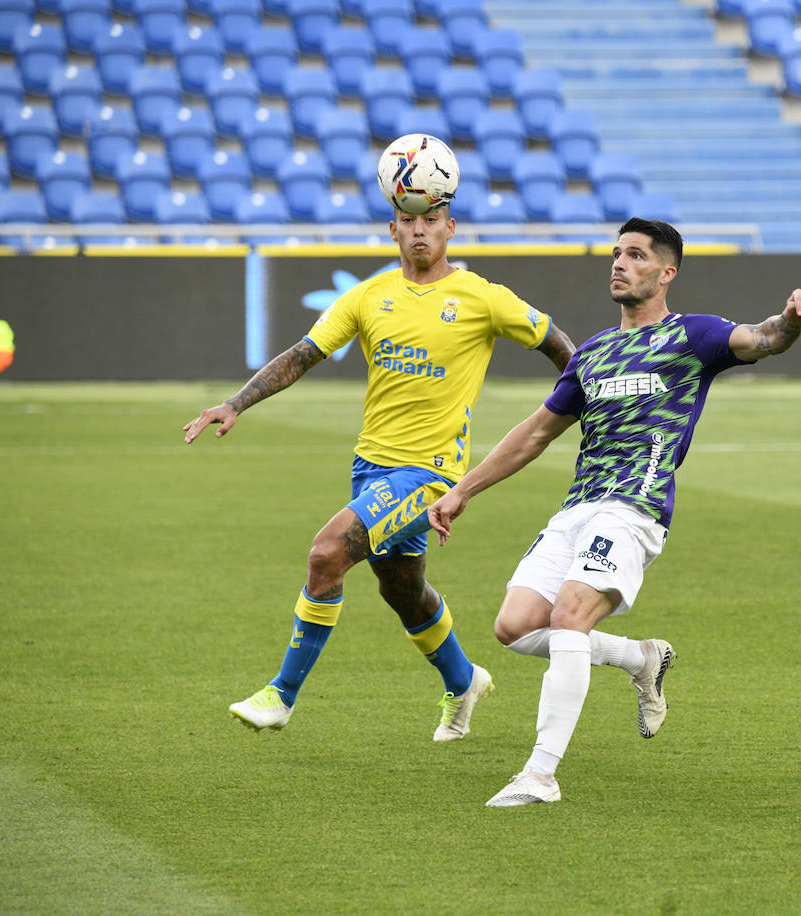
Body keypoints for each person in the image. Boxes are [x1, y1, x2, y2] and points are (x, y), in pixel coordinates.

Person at [426, 217, 801, 806]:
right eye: (617, 254)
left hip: (634, 506)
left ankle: (540, 775)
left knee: (570, 619)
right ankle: (640, 656)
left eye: (637, 256)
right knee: (514, 628)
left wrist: (792, 320)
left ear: (666, 273)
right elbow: (536, 432)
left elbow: (763, 337)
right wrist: (464, 489)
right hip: (578, 507)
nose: (620, 264)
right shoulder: (592, 353)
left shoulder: (693, 337)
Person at [183, 194, 576, 737]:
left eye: (431, 221)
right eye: (409, 221)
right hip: (370, 468)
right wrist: (235, 403)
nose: (421, 231)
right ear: (393, 230)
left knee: (326, 554)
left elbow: (560, 348)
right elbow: (302, 354)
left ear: (450, 228)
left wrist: (583, 406)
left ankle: (282, 694)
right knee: (402, 591)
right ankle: (464, 681)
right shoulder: (368, 297)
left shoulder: (482, 297)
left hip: (430, 476)